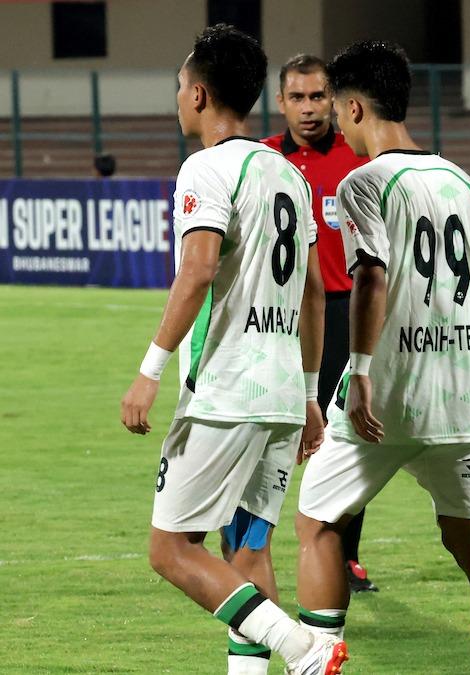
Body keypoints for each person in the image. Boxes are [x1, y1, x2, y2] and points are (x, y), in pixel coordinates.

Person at [118, 24, 347, 675]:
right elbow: (312, 293)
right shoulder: (288, 173)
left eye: (180, 87)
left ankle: (303, 646)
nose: (178, 98)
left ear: (198, 94)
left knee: (170, 549)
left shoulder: (207, 168)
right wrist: (309, 395)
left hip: (225, 394)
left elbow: (197, 270)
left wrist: (149, 371)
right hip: (281, 394)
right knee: (247, 551)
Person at [292, 41, 470, 675]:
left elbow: (371, 276)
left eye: (337, 111)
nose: (337, 126)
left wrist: (363, 371)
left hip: (385, 398)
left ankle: (319, 661)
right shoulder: (461, 181)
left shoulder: (363, 182)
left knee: (318, 524)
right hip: (464, 397)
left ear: (354, 108)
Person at [260, 53, 378, 595]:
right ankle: (252, 549)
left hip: (344, 312)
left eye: (317, 96)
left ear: (334, 100)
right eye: (297, 97)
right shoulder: (264, 160)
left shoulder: (359, 158)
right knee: (269, 434)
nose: (308, 108)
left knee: (344, 437)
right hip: (280, 315)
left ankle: (345, 556)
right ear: (280, 102)